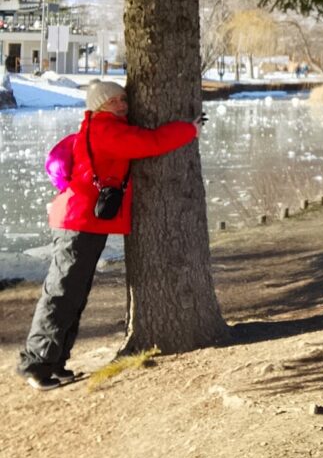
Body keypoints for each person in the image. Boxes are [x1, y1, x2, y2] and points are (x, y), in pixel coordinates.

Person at [16, 80, 202, 391]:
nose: (121, 104)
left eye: (123, 99)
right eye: (113, 100)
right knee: (62, 292)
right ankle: (36, 365)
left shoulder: (105, 127)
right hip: (78, 221)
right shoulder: (106, 130)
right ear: (99, 105)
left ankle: (55, 362)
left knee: (73, 293)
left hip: (86, 221)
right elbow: (150, 142)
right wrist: (189, 130)